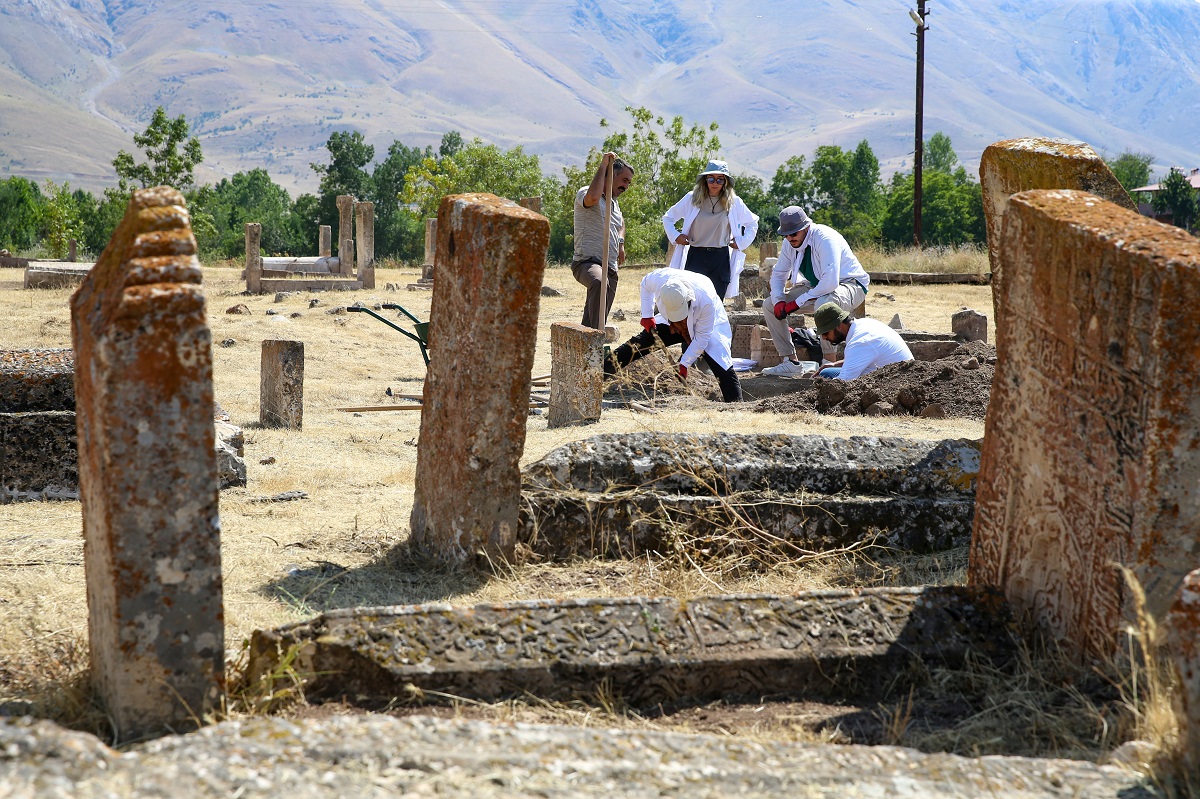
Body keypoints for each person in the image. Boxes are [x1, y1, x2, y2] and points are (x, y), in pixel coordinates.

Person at [760, 206, 870, 376]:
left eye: (794, 233)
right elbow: (779, 274)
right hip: (816, 286)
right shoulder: (789, 243)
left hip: (850, 284)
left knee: (824, 303)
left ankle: (829, 363)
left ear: (806, 227)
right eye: (786, 234)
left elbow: (830, 282)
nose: (790, 238)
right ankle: (790, 362)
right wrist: (779, 300)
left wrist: (796, 303)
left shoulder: (825, 238)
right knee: (768, 305)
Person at [604, 267, 742, 403]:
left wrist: (684, 363)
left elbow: (702, 338)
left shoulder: (706, 301)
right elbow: (645, 284)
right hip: (667, 320)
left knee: (721, 363)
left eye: (681, 318)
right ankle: (596, 377)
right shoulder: (660, 279)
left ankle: (736, 404)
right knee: (637, 346)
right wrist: (647, 315)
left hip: (709, 325)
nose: (680, 322)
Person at [661, 160, 759, 301]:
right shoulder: (692, 198)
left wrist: (742, 242)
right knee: (692, 302)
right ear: (705, 180)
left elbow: (752, 222)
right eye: (711, 178)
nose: (715, 183)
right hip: (696, 256)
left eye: (720, 179)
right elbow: (668, 217)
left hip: (720, 257)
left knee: (716, 302)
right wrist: (676, 236)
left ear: (725, 182)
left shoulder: (734, 202)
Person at [572, 151, 635, 330]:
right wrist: (603, 166)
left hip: (611, 268)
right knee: (599, 283)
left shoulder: (614, 204)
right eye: (624, 180)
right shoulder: (586, 192)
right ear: (610, 175)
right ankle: (596, 339)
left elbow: (621, 223)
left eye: (629, 183)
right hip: (587, 263)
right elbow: (591, 198)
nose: (626, 186)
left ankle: (586, 348)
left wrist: (621, 242)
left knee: (593, 319)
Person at [812, 302, 913, 381]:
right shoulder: (864, 324)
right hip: (900, 374)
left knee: (826, 377)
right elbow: (866, 356)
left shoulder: (860, 341)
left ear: (838, 325)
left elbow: (842, 383)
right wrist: (835, 364)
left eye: (826, 333)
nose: (824, 338)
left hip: (898, 383)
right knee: (827, 372)